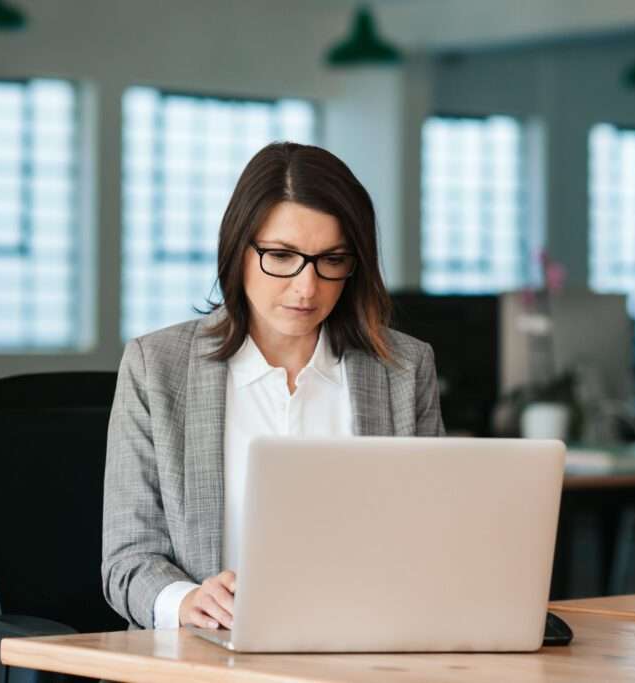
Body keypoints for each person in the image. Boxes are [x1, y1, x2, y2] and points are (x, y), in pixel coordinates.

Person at [102, 141, 444, 632]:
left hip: (359, 648)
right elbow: (127, 559)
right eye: (281, 256)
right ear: (238, 250)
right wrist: (186, 601)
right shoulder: (156, 368)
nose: (307, 287)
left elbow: (430, 541)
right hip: (205, 657)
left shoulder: (405, 368)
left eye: (332, 259)